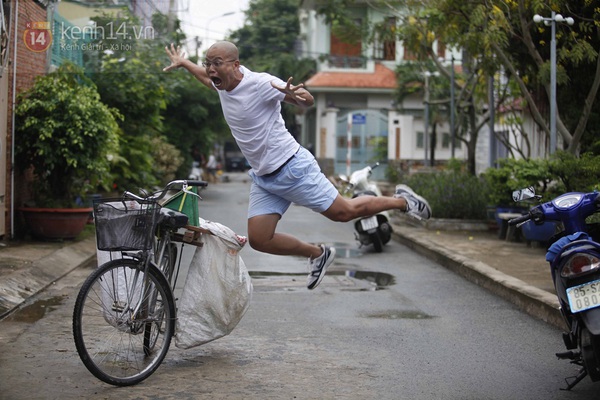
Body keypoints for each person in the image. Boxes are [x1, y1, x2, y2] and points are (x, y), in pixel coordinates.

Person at [163, 41, 431, 290]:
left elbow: (307, 99)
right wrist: (185, 63)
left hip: (292, 167)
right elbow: (204, 77)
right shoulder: (221, 84)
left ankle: (402, 201)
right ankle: (318, 254)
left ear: (234, 64)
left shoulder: (261, 83)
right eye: (208, 63)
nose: (211, 69)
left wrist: (295, 95)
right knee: (259, 239)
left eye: (217, 63)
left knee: (344, 212)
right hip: (264, 178)